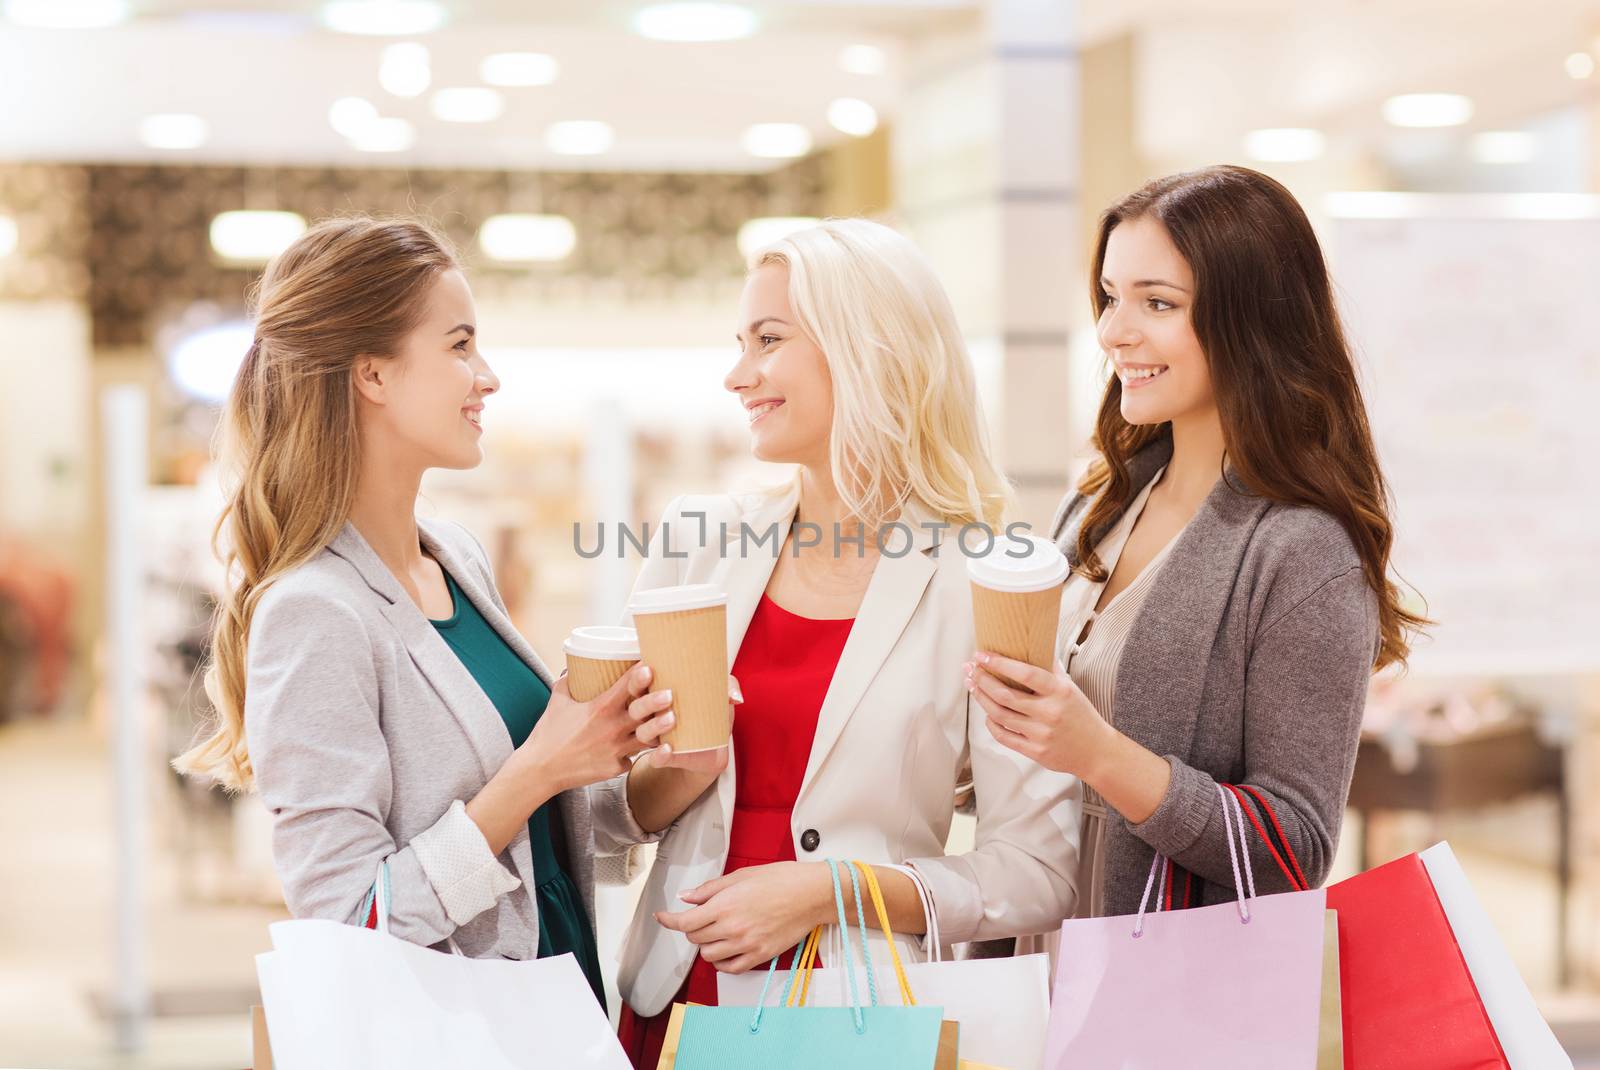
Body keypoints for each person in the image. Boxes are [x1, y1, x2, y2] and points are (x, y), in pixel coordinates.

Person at [593, 218, 1082, 1068]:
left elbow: (1038, 870)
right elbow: (598, 816)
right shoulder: (699, 540)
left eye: (768, 340)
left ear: (866, 349)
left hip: (857, 1018)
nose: (737, 375)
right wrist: (675, 772)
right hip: (673, 1002)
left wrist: (833, 893)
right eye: (740, 343)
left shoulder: (986, 579)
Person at [174, 216, 676, 1008]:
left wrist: (665, 758)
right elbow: (346, 922)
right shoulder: (315, 612)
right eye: (460, 345)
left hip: (561, 1007)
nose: (488, 376)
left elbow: (545, 827)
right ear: (373, 375)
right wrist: (541, 764)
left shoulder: (457, 558)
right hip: (455, 1032)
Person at [967, 165, 1426, 918]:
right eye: (1112, 298)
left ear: (1254, 321)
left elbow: (1294, 849)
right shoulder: (1101, 500)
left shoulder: (1300, 549)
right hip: (1032, 949)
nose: (1116, 330)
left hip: (1166, 989)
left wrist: (1099, 755)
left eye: (1159, 303)